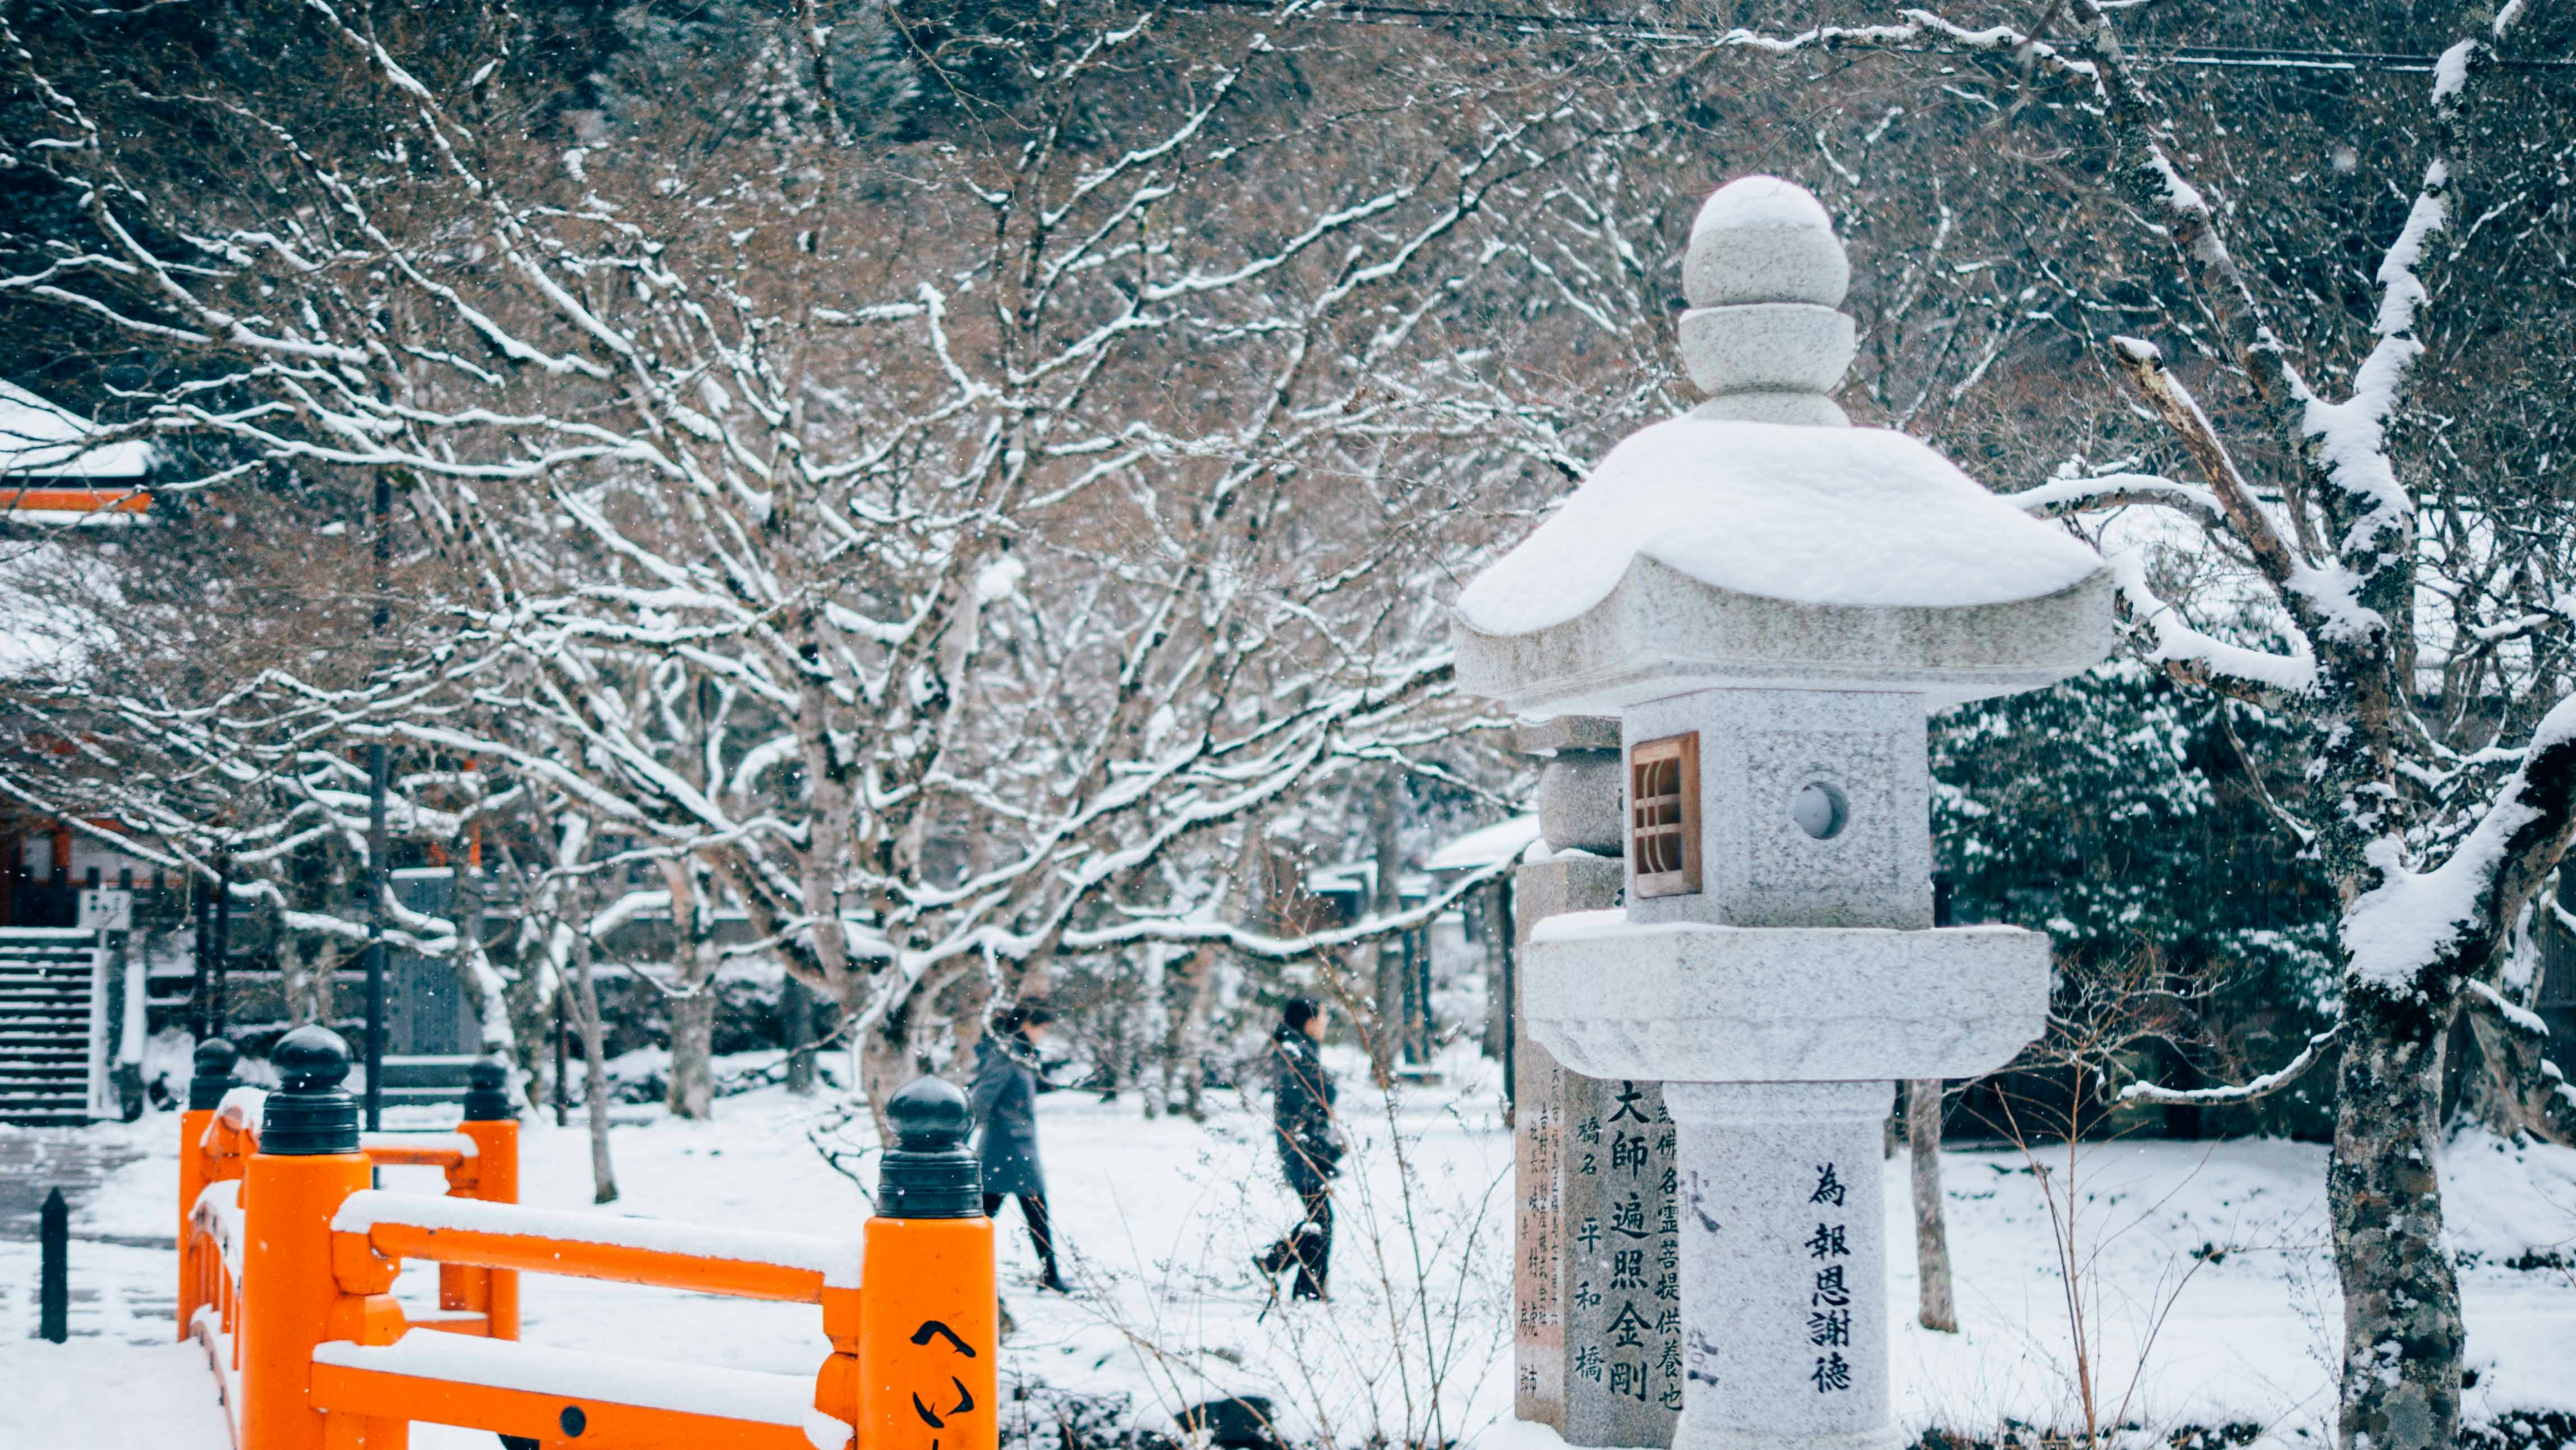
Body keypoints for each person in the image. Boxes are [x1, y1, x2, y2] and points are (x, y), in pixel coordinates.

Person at [970, 999, 1066, 1292]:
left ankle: (1051, 1275)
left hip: (1016, 1148)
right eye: (1043, 1029)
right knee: (1016, 1212)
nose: (1044, 1036)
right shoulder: (1007, 1056)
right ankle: (1050, 1276)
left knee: (999, 1213)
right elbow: (981, 1101)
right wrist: (958, 1139)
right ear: (1027, 1024)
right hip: (1007, 1149)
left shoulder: (1020, 1055)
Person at [1255, 995, 1340, 1301]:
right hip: (1301, 1148)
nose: (1326, 1024)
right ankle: (1308, 1290)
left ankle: (1276, 1263)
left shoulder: (1299, 1049)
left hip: (1305, 1147)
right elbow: (1309, 1094)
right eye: (1323, 1017)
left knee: (1320, 1218)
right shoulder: (1294, 1052)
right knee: (1322, 1220)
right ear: (1309, 1021)